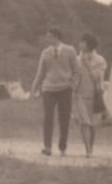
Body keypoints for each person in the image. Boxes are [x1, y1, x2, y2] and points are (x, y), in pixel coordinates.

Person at [30, 26, 79, 156]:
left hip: (65, 89)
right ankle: (47, 147)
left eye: (49, 36)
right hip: (48, 89)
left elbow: (76, 70)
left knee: (64, 118)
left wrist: (73, 85)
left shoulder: (70, 50)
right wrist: (34, 88)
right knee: (48, 117)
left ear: (56, 37)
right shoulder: (45, 53)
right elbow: (40, 72)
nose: (47, 39)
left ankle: (62, 147)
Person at [73, 32, 108, 156]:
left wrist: (87, 64)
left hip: (94, 95)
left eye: (82, 42)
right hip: (79, 95)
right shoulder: (76, 60)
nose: (80, 44)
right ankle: (87, 148)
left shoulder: (100, 60)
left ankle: (91, 147)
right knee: (84, 122)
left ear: (89, 44)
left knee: (92, 124)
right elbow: (74, 78)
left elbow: (98, 79)